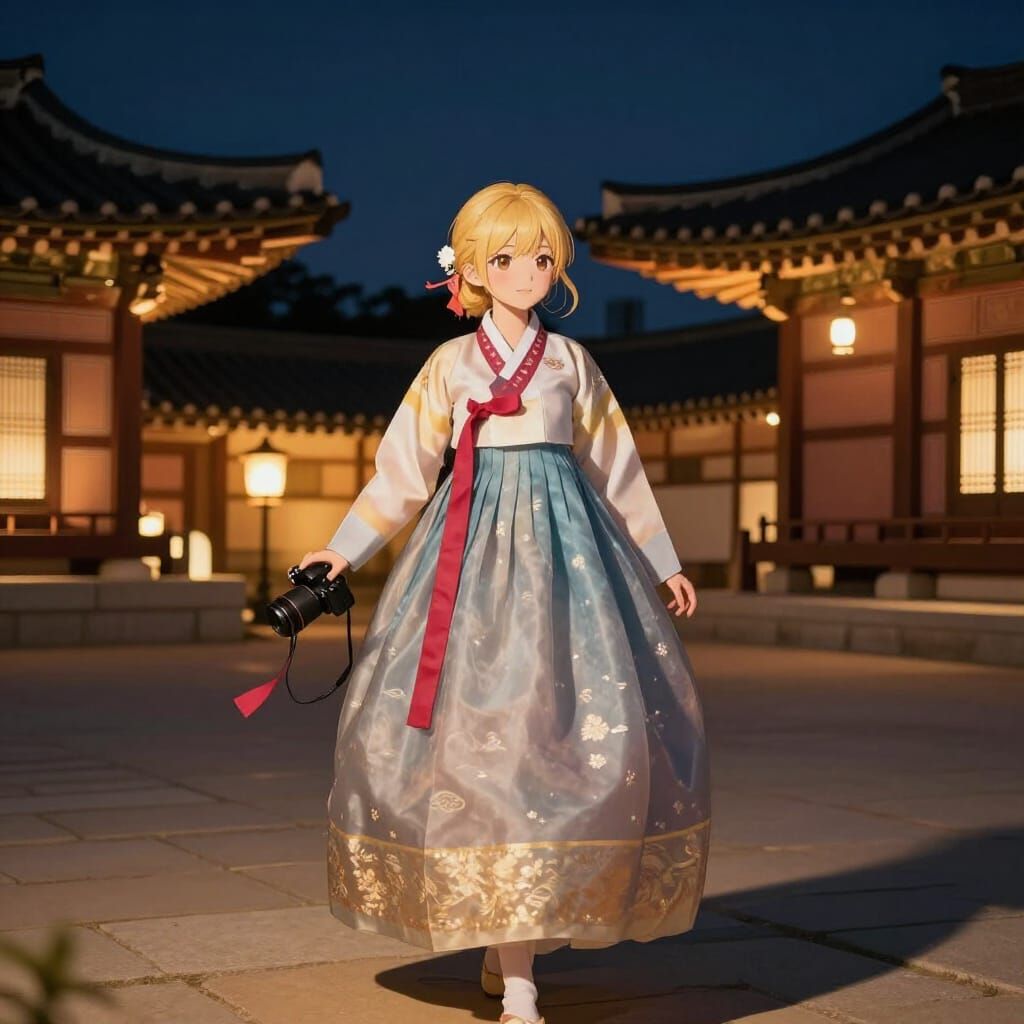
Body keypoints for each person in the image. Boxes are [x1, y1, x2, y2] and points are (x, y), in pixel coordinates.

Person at [299, 182, 710, 1024]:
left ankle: (511, 941)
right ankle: (515, 967)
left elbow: (616, 465)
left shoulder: (570, 364)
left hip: (574, 567)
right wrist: (341, 550)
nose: (527, 271)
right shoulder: (450, 365)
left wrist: (661, 557)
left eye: (542, 257)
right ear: (475, 271)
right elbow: (403, 471)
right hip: (468, 562)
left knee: (559, 741)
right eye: (507, 258)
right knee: (482, 751)